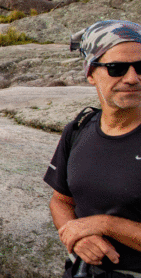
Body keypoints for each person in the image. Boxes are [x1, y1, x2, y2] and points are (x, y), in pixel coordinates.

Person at [44, 20, 141, 277]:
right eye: (116, 68)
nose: (132, 78)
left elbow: (98, 223)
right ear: (90, 73)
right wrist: (76, 238)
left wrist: (105, 224)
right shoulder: (78, 130)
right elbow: (61, 200)